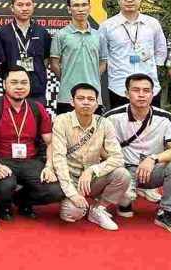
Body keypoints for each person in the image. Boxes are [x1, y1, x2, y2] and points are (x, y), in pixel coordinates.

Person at [104, 73, 171, 234]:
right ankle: (125, 203)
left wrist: (153, 158)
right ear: (126, 94)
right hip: (124, 170)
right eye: (136, 90)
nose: (141, 95)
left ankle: (166, 212)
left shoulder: (165, 117)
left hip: (153, 169)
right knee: (124, 194)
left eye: (146, 90)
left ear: (153, 93)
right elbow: (102, 150)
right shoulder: (112, 117)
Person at [0, 65, 65, 221]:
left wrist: (49, 167)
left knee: (56, 191)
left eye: (24, 82)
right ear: (4, 84)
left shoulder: (37, 108)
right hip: (2, 160)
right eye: (14, 82)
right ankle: (3, 205)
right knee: (4, 187)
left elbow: (50, 142)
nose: (19, 87)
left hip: (30, 160)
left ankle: (22, 201)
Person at [49, 83, 130, 231]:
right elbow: (58, 159)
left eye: (91, 99)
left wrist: (93, 170)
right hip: (70, 177)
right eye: (81, 98)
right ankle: (72, 201)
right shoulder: (62, 121)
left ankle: (99, 209)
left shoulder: (104, 123)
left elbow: (118, 158)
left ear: (96, 104)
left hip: (92, 178)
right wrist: (72, 193)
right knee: (72, 213)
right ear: (72, 102)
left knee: (122, 174)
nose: (86, 102)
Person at [50, 0, 103, 114]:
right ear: (69, 9)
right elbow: (54, 64)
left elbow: (103, 62)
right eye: (76, 5)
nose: (80, 9)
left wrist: (93, 77)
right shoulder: (60, 35)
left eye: (84, 5)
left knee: (94, 127)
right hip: (67, 96)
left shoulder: (99, 36)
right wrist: (67, 78)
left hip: (94, 96)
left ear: (89, 8)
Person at [0, 0, 52, 105]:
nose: (24, 8)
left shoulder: (42, 32)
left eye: (28, 4)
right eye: (20, 5)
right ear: (12, 7)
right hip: (12, 90)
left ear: (33, 6)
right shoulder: (2, 33)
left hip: (37, 89)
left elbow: (46, 60)